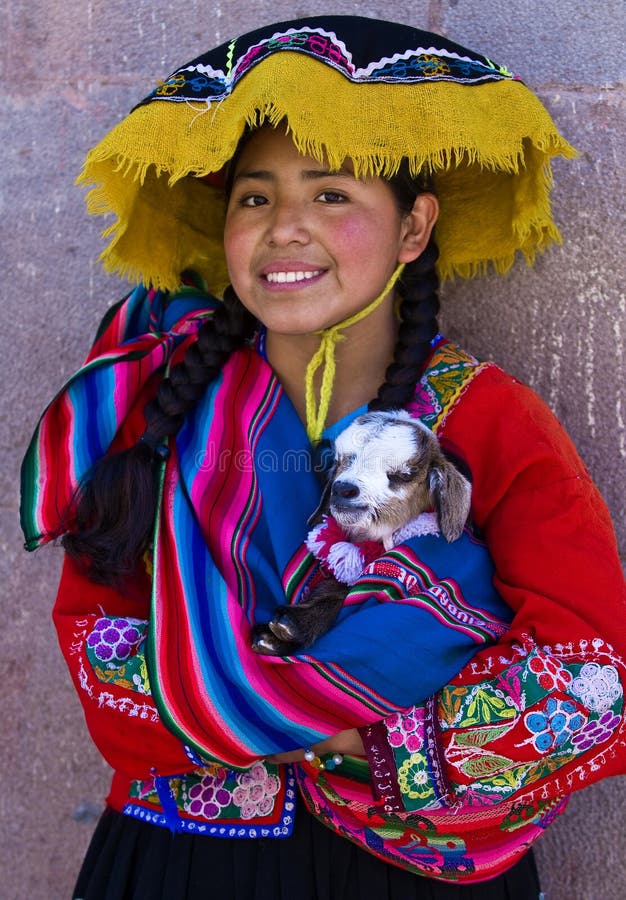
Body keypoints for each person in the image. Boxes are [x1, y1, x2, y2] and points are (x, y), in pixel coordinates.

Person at [20, 15, 626, 900]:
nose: (285, 229)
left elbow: (590, 673)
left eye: (332, 194)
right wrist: (312, 710)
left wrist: (344, 739)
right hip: (184, 859)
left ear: (414, 227)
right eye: (254, 199)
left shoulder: (490, 422)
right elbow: (98, 636)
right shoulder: (160, 408)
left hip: (412, 872)